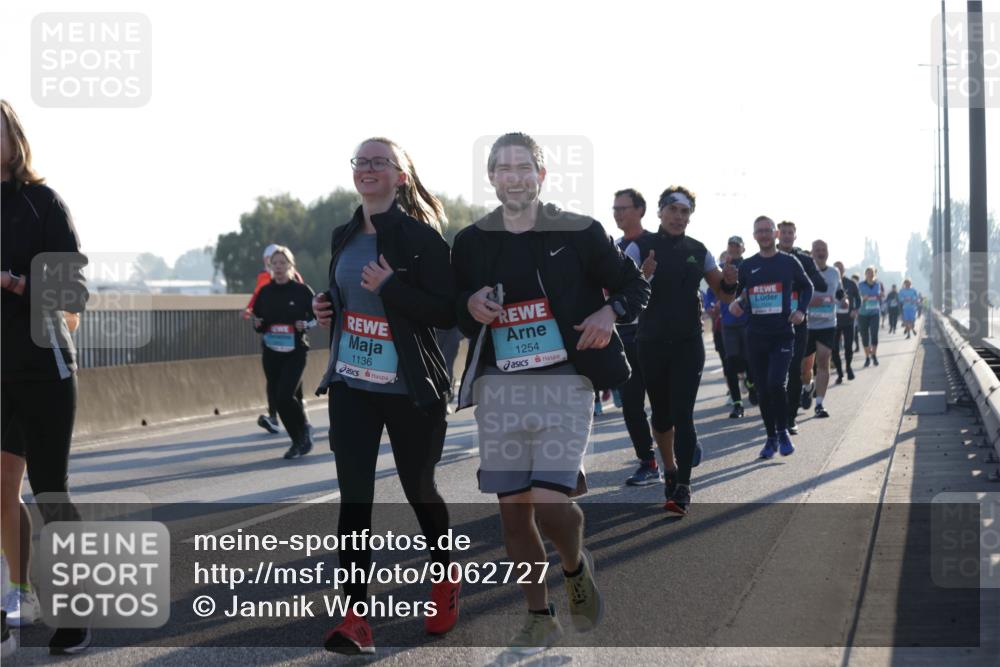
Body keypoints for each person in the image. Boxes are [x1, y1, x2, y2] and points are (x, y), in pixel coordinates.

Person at [453, 133, 649, 652]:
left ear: (541, 176)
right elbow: (451, 304)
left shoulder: (580, 231)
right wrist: (468, 303)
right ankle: (538, 615)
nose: (514, 176)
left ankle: (574, 564)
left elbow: (634, 287)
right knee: (514, 515)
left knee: (549, 505)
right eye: (503, 168)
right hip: (501, 390)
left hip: (566, 382)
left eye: (524, 167)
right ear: (491, 177)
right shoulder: (471, 241)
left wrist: (611, 313)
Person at [313, 137, 460, 654]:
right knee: (355, 500)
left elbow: (449, 313)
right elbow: (350, 294)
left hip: (408, 390)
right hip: (352, 384)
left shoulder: (423, 240)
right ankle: (356, 616)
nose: (368, 168)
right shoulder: (344, 233)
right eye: (361, 161)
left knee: (420, 489)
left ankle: (444, 579)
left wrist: (392, 287)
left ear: (401, 176)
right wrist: (327, 306)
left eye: (380, 161)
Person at [0, 99, 91, 654]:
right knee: (0, 492)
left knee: (50, 489)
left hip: (43, 367)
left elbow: (71, 293)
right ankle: (19, 593)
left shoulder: (42, 202)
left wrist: (11, 283)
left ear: (15, 139)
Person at [625, 186, 739, 515]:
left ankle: (683, 486)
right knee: (661, 416)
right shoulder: (640, 247)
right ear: (660, 212)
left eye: (684, 211)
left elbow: (725, 294)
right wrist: (641, 276)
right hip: (650, 342)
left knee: (683, 415)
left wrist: (731, 281)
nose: (678, 216)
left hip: (689, 343)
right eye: (673, 209)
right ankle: (670, 468)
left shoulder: (697, 249)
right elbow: (619, 291)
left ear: (690, 216)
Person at [728, 216, 813, 458]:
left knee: (777, 383)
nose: (764, 235)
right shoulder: (747, 266)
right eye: (759, 231)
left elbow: (807, 287)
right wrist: (739, 302)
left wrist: (800, 311)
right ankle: (771, 437)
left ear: (775, 234)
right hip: (756, 335)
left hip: (783, 335)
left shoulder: (789, 262)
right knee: (764, 390)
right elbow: (742, 292)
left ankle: (783, 429)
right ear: (754, 236)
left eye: (767, 230)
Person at [612, 188, 660, 485]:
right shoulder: (612, 247)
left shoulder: (656, 243)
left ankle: (679, 446)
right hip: (626, 337)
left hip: (656, 336)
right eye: (614, 208)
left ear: (640, 210)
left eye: (623, 208)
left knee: (663, 402)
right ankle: (648, 461)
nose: (617, 213)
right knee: (631, 405)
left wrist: (645, 275)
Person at [251, 246, 317, 459]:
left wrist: (305, 324)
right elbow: (257, 321)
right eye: (275, 264)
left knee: (285, 394)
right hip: (271, 352)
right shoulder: (265, 292)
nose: (279, 267)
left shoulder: (301, 291)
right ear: (270, 267)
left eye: (283, 263)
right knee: (280, 400)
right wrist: (258, 324)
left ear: (290, 266)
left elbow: (316, 317)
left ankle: (304, 430)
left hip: (295, 351)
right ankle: (297, 440)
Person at [776, 221, 827, 435]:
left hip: (798, 322)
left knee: (795, 368)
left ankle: (790, 418)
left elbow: (820, 285)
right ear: (778, 234)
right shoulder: (767, 256)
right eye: (784, 232)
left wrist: (799, 286)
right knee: (773, 373)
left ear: (795, 236)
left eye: (791, 233)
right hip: (771, 323)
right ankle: (776, 412)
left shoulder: (804, 260)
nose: (787, 236)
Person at [798, 240, 843, 418]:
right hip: (807, 324)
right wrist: (809, 302)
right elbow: (798, 294)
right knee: (804, 367)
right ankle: (807, 387)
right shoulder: (805, 271)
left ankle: (819, 404)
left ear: (828, 252)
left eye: (823, 249)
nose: (821, 252)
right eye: (817, 250)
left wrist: (843, 299)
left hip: (827, 324)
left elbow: (839, 291)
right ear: (812, 253)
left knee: (823, 361)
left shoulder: (834, 272)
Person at [719, 235, 757, 417]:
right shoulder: (720, 268)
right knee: (731, 363)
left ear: (743, 249)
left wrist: (744, 303)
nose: (733, 249)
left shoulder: (748, 267)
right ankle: (737, 404)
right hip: (728, 324)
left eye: (737, 246)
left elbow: (753, 288)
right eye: (731, 246)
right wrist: (712, 305)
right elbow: (713, 291)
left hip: (746, 321)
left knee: (750, 361)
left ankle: (751, 385)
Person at [831, 261, 860, 383]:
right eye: (836, 268)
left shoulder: (851, 283)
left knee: (848, 347)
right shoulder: (829, 282)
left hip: (848, 320)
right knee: (834, 349)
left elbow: (859, 299)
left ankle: (848, 367)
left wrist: (855, 310)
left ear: (844, 270)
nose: (838, 270)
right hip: (833, 321)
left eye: (840, 268)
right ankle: (839, 373)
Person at [857, 266, 883, 366]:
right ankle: (867, 356)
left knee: (874, 334)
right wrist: (863, 298)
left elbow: (880, 295)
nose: (870, 274)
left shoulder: (877, 285)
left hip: (875, 313)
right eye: (868, 273)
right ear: (865, 274)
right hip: (863, 314)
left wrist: (880, 296)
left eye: (871, 273)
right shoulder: (860, 285)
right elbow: (857, 297)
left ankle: (874, 355)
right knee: (865, 336)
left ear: (874, 274)